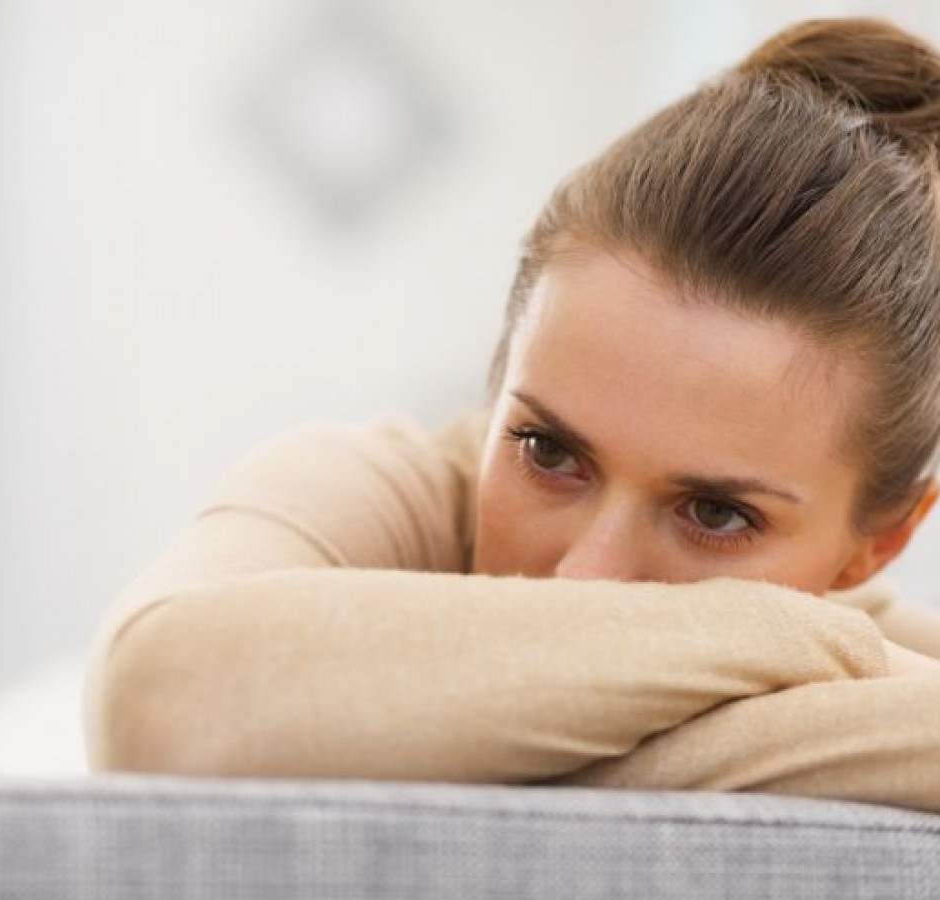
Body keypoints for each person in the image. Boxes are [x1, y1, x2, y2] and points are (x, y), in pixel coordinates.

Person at [83, 17, 940, 811]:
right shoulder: (381, 487)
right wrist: (791, 639)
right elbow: (158, 704)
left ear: (878, 544)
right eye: (547, 451)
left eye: (715, 514)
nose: (585, 580)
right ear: (498, 386)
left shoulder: (875, 637)